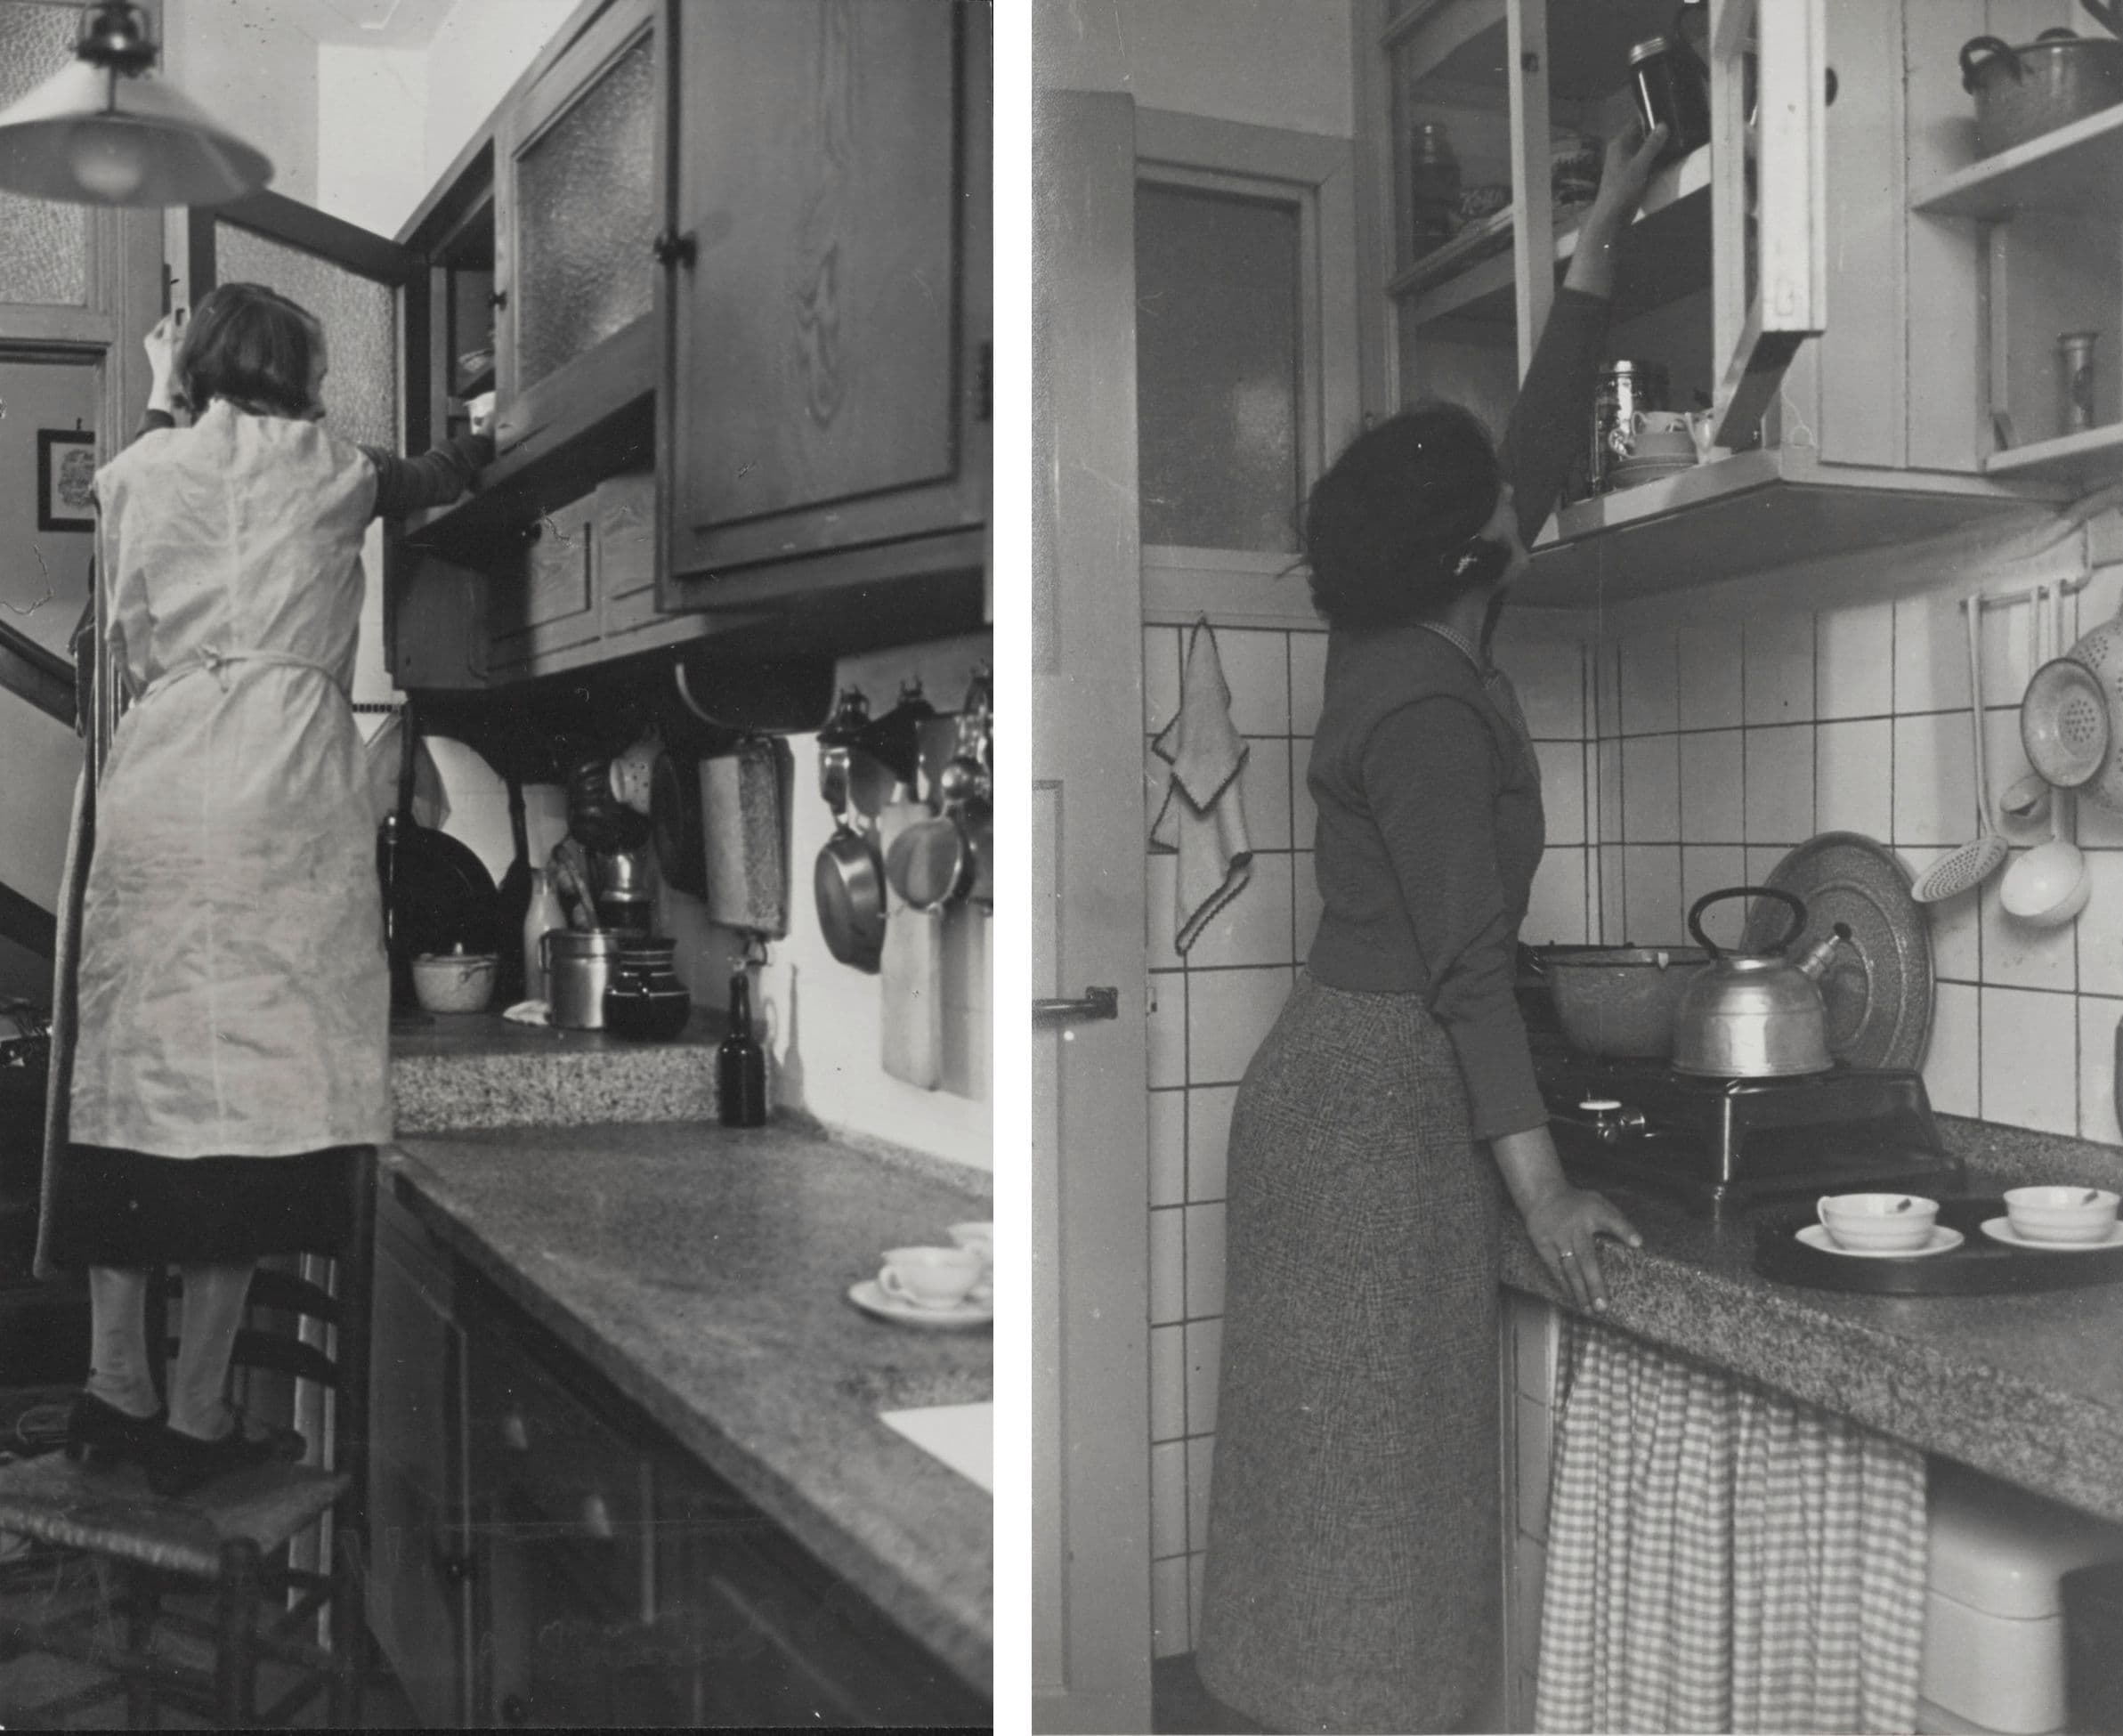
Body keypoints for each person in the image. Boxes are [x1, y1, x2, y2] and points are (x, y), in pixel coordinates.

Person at [1195, 123, 1669, 1734]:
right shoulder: (1425, 708)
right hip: (1372, 1121)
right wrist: (1545, 1192)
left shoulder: (1423, 627)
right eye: (1500, 513)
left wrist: (1603, 218)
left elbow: (1527, 452)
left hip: (1354, 1100)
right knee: (1368, 1518)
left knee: (1353, 1512)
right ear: (1480, 559)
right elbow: (1468, 969)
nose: (1520, 509)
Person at [40, 282, 492, 1499]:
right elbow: (441, 473)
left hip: (166, 765)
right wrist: (485, 421)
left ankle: (111, 1391)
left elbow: (123, 627)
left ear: (194, 371)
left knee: (137, 1087)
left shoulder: (138, 471)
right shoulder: (337, 469)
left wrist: (159, 391)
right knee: (253, 1102)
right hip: (280, 779)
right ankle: (196, 1417)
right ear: (298, 370)